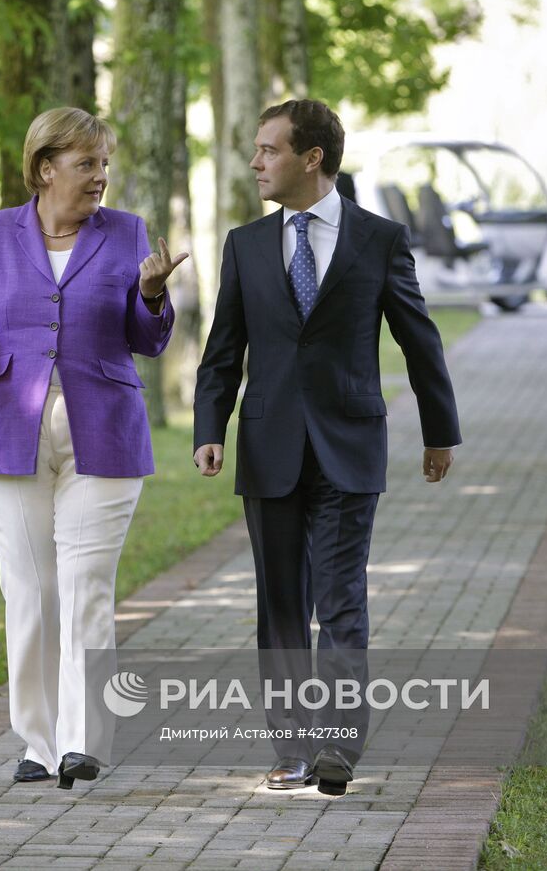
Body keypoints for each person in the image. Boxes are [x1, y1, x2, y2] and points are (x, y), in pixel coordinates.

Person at [193, 99, 461, 795]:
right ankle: (291, 748)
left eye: (269, 150)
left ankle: (339, 745)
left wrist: (440, 430)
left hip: (349, 442)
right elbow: (224, 351)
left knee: (340, 600)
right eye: (256, 151)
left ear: (312, 158)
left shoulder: (378, 239)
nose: (256, 163)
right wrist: (208, 428)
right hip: (268, 447)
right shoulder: (245, 245)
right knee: (282, 605)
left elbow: (417, 335)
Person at [0, 106, 188, 789]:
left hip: (102, 427)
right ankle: (37, 742)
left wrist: (153, 295)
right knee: (31, 590)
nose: (100, 176)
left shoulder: (126, 232)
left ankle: (83, 739)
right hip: (12, 425)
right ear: (46, 168)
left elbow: (146, 337)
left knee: (85, 584)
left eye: (104, 164)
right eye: (86, 164)